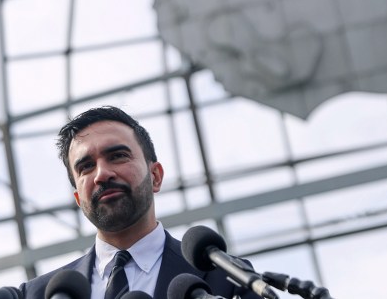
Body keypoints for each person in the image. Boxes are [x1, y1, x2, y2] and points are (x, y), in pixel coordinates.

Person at [18, 106, 250, 299]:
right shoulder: (36, 295)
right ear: (78, 199)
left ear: (156, 176)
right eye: (86, 166)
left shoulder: (229, 277)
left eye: (117, 156)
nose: (101, 174)